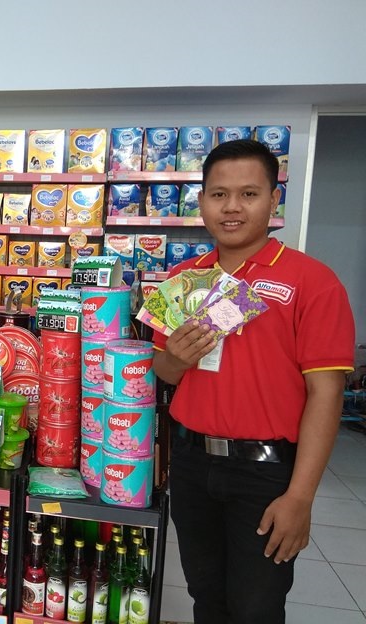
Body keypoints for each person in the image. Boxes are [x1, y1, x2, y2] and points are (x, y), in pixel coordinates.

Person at [153, 139, 355, 623]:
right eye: (219, 194)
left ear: (273, 200)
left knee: (256, 607)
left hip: (266, 473)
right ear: (201, 201)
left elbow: (326, 394)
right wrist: (176, 359)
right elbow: (163, 371)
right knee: (205, 596)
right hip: (191, 462)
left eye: (248, 194)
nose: (232, 207)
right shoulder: (182, 279)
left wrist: (300, 497)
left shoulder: (313, 281)